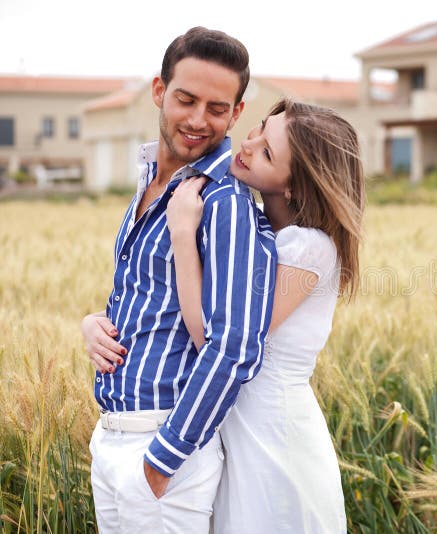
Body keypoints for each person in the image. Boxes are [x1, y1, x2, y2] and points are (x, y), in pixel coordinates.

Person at [81, 27, 277, 533]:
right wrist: (94, 324)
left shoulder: (223, 202)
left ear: (236, 114)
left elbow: (235, 344)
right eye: (185, 100)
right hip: (112, 440)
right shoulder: (153, 180)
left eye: (217, 108)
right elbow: (147, 294)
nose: (197, 120)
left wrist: (164, 458)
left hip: (162, 449)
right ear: (158, 92)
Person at [166, 98, 364, 533]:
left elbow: (214, 338)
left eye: (269, 152)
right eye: (258, 129)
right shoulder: (254, 229)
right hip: (239, 438)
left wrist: (182, 235)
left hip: (276, 445)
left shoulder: (309, 248)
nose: (249, 144)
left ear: (295, 185)